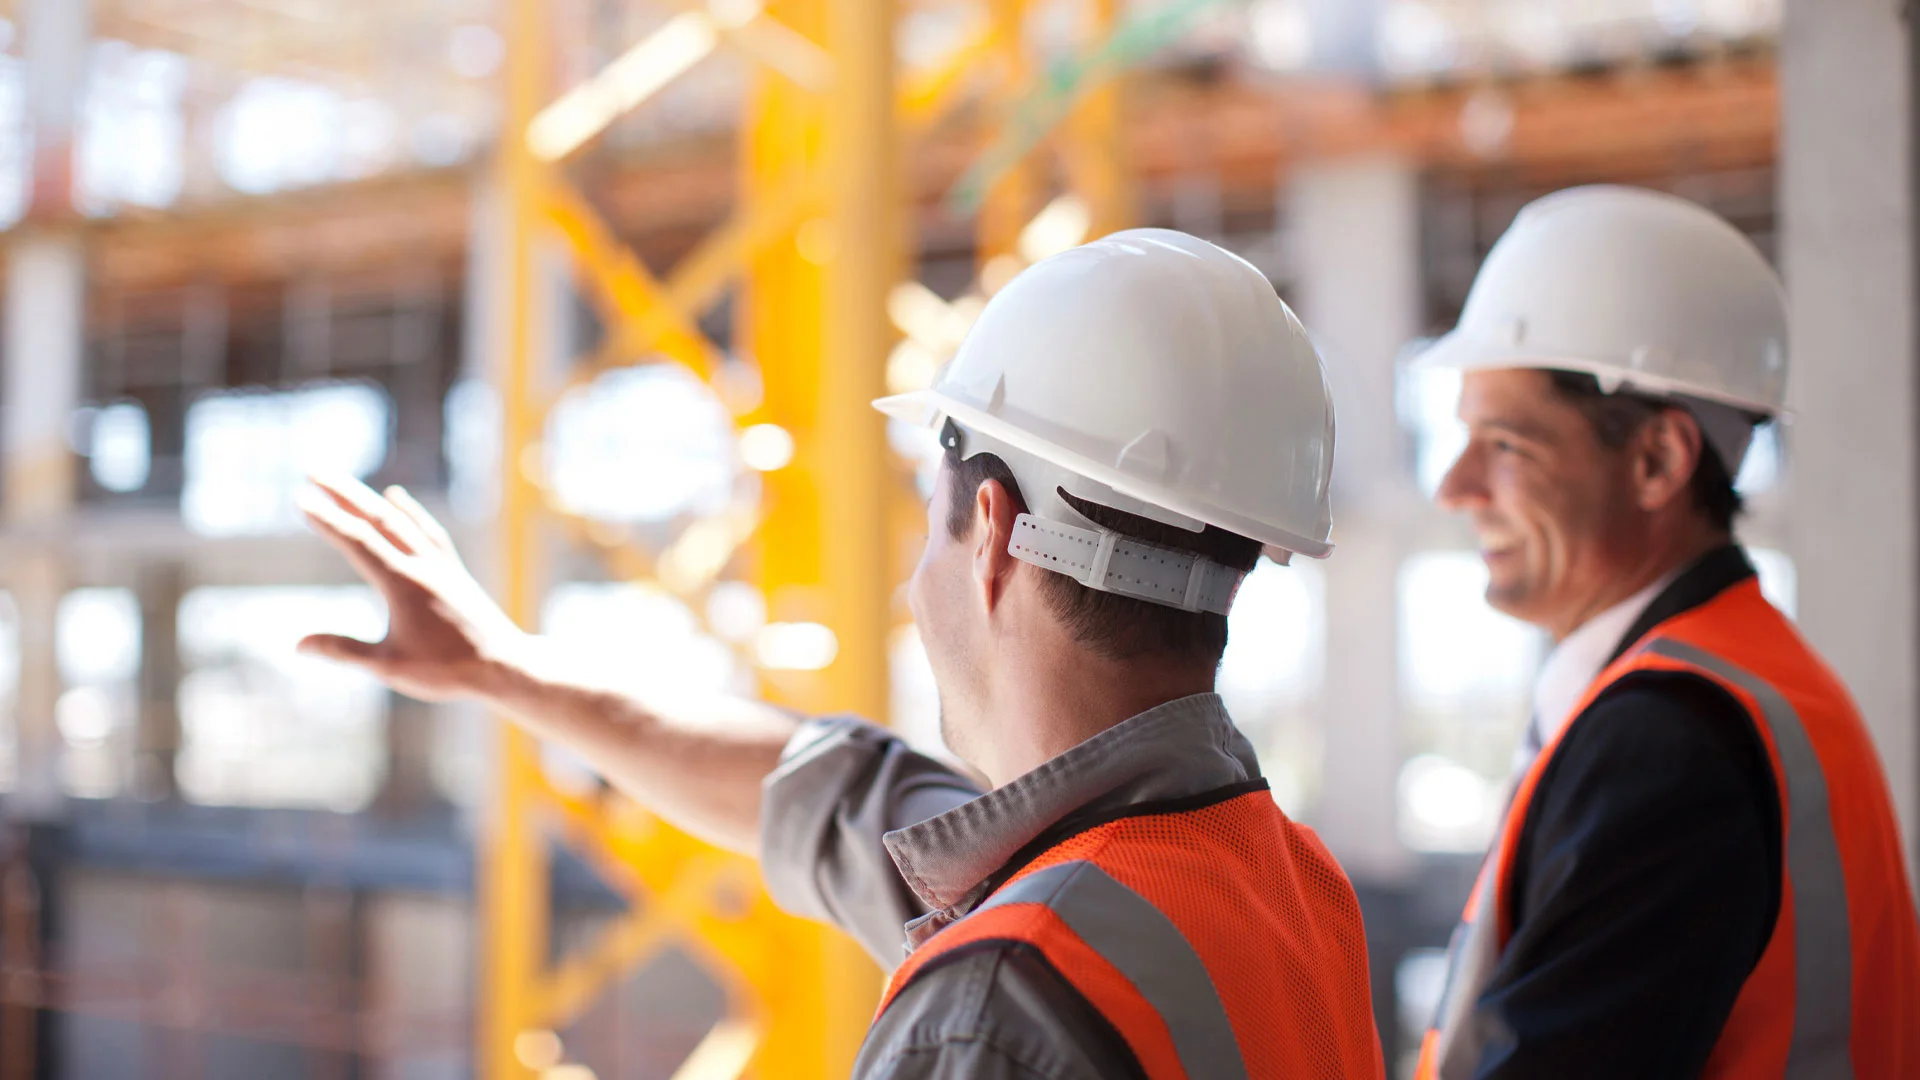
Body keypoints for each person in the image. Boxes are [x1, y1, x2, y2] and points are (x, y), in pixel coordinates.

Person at [299, 229, 1386, 1079]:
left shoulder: (998, 1006)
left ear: (995, 530)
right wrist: (503, 665)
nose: (918, 579)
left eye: (931, 519)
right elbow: (837, 797)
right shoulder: (1280, 880)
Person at [1410, 186, 1920, 1078]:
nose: (1454, 487)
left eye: (1506, 445)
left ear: (1657, 461)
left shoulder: (1668, 743)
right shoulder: (1751, 682)